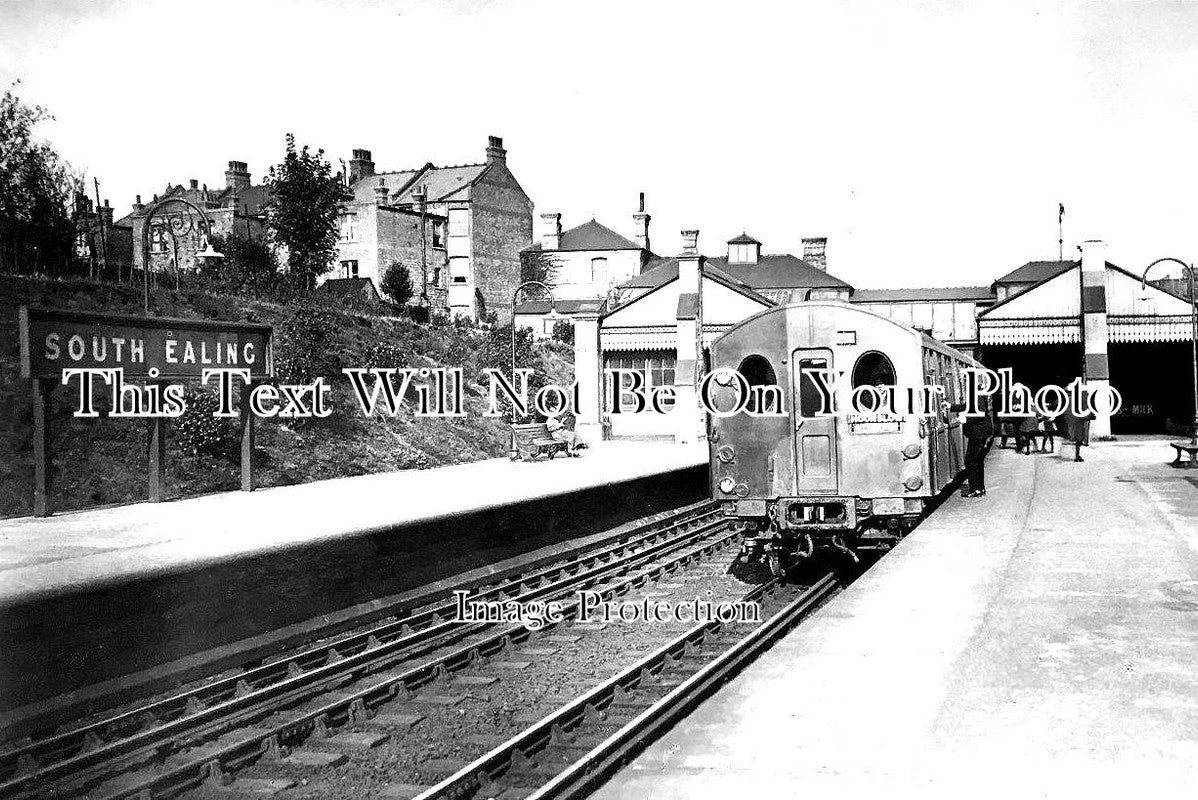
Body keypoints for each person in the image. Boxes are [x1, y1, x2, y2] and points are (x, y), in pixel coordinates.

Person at [952, 398, 995, 497]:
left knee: (971, 461)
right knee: (977, 461)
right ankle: (980, 488)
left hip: (978, 432)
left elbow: (981, 412)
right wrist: (951, 407)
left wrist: (966, 419)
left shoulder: (977, 394)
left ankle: (975, 490)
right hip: (979, 432)